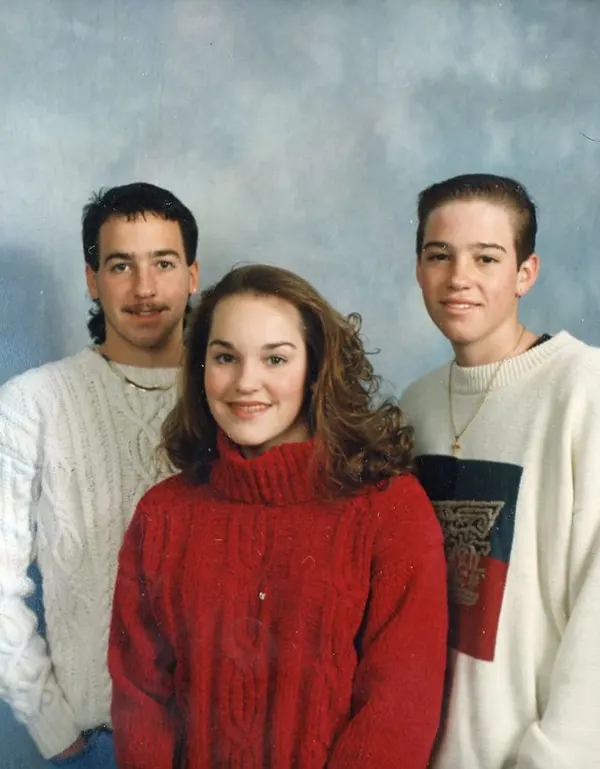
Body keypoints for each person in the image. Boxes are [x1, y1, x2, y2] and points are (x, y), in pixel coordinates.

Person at [108, 263, 448, 768]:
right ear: (201, 368)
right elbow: (142, 700)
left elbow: (397, 713)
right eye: (225, 357)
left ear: (314, 370)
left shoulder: (389, 509)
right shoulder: (162, 515)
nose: (247, 383)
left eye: (275, 359)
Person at [400, 173, 600, 769]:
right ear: (419, 269)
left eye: (486, 258)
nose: (459, 278)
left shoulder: (583, 389)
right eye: (441, 256)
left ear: (525, 274)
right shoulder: (416, 405)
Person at [0, 182, 199, 766]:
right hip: (98, 743)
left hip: (225, 737)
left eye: (163, 263)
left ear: (191, 274)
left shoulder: (239, 393)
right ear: (92, 280)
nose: (144, 288)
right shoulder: (30, 404)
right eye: (120, 265)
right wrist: (50, 724)